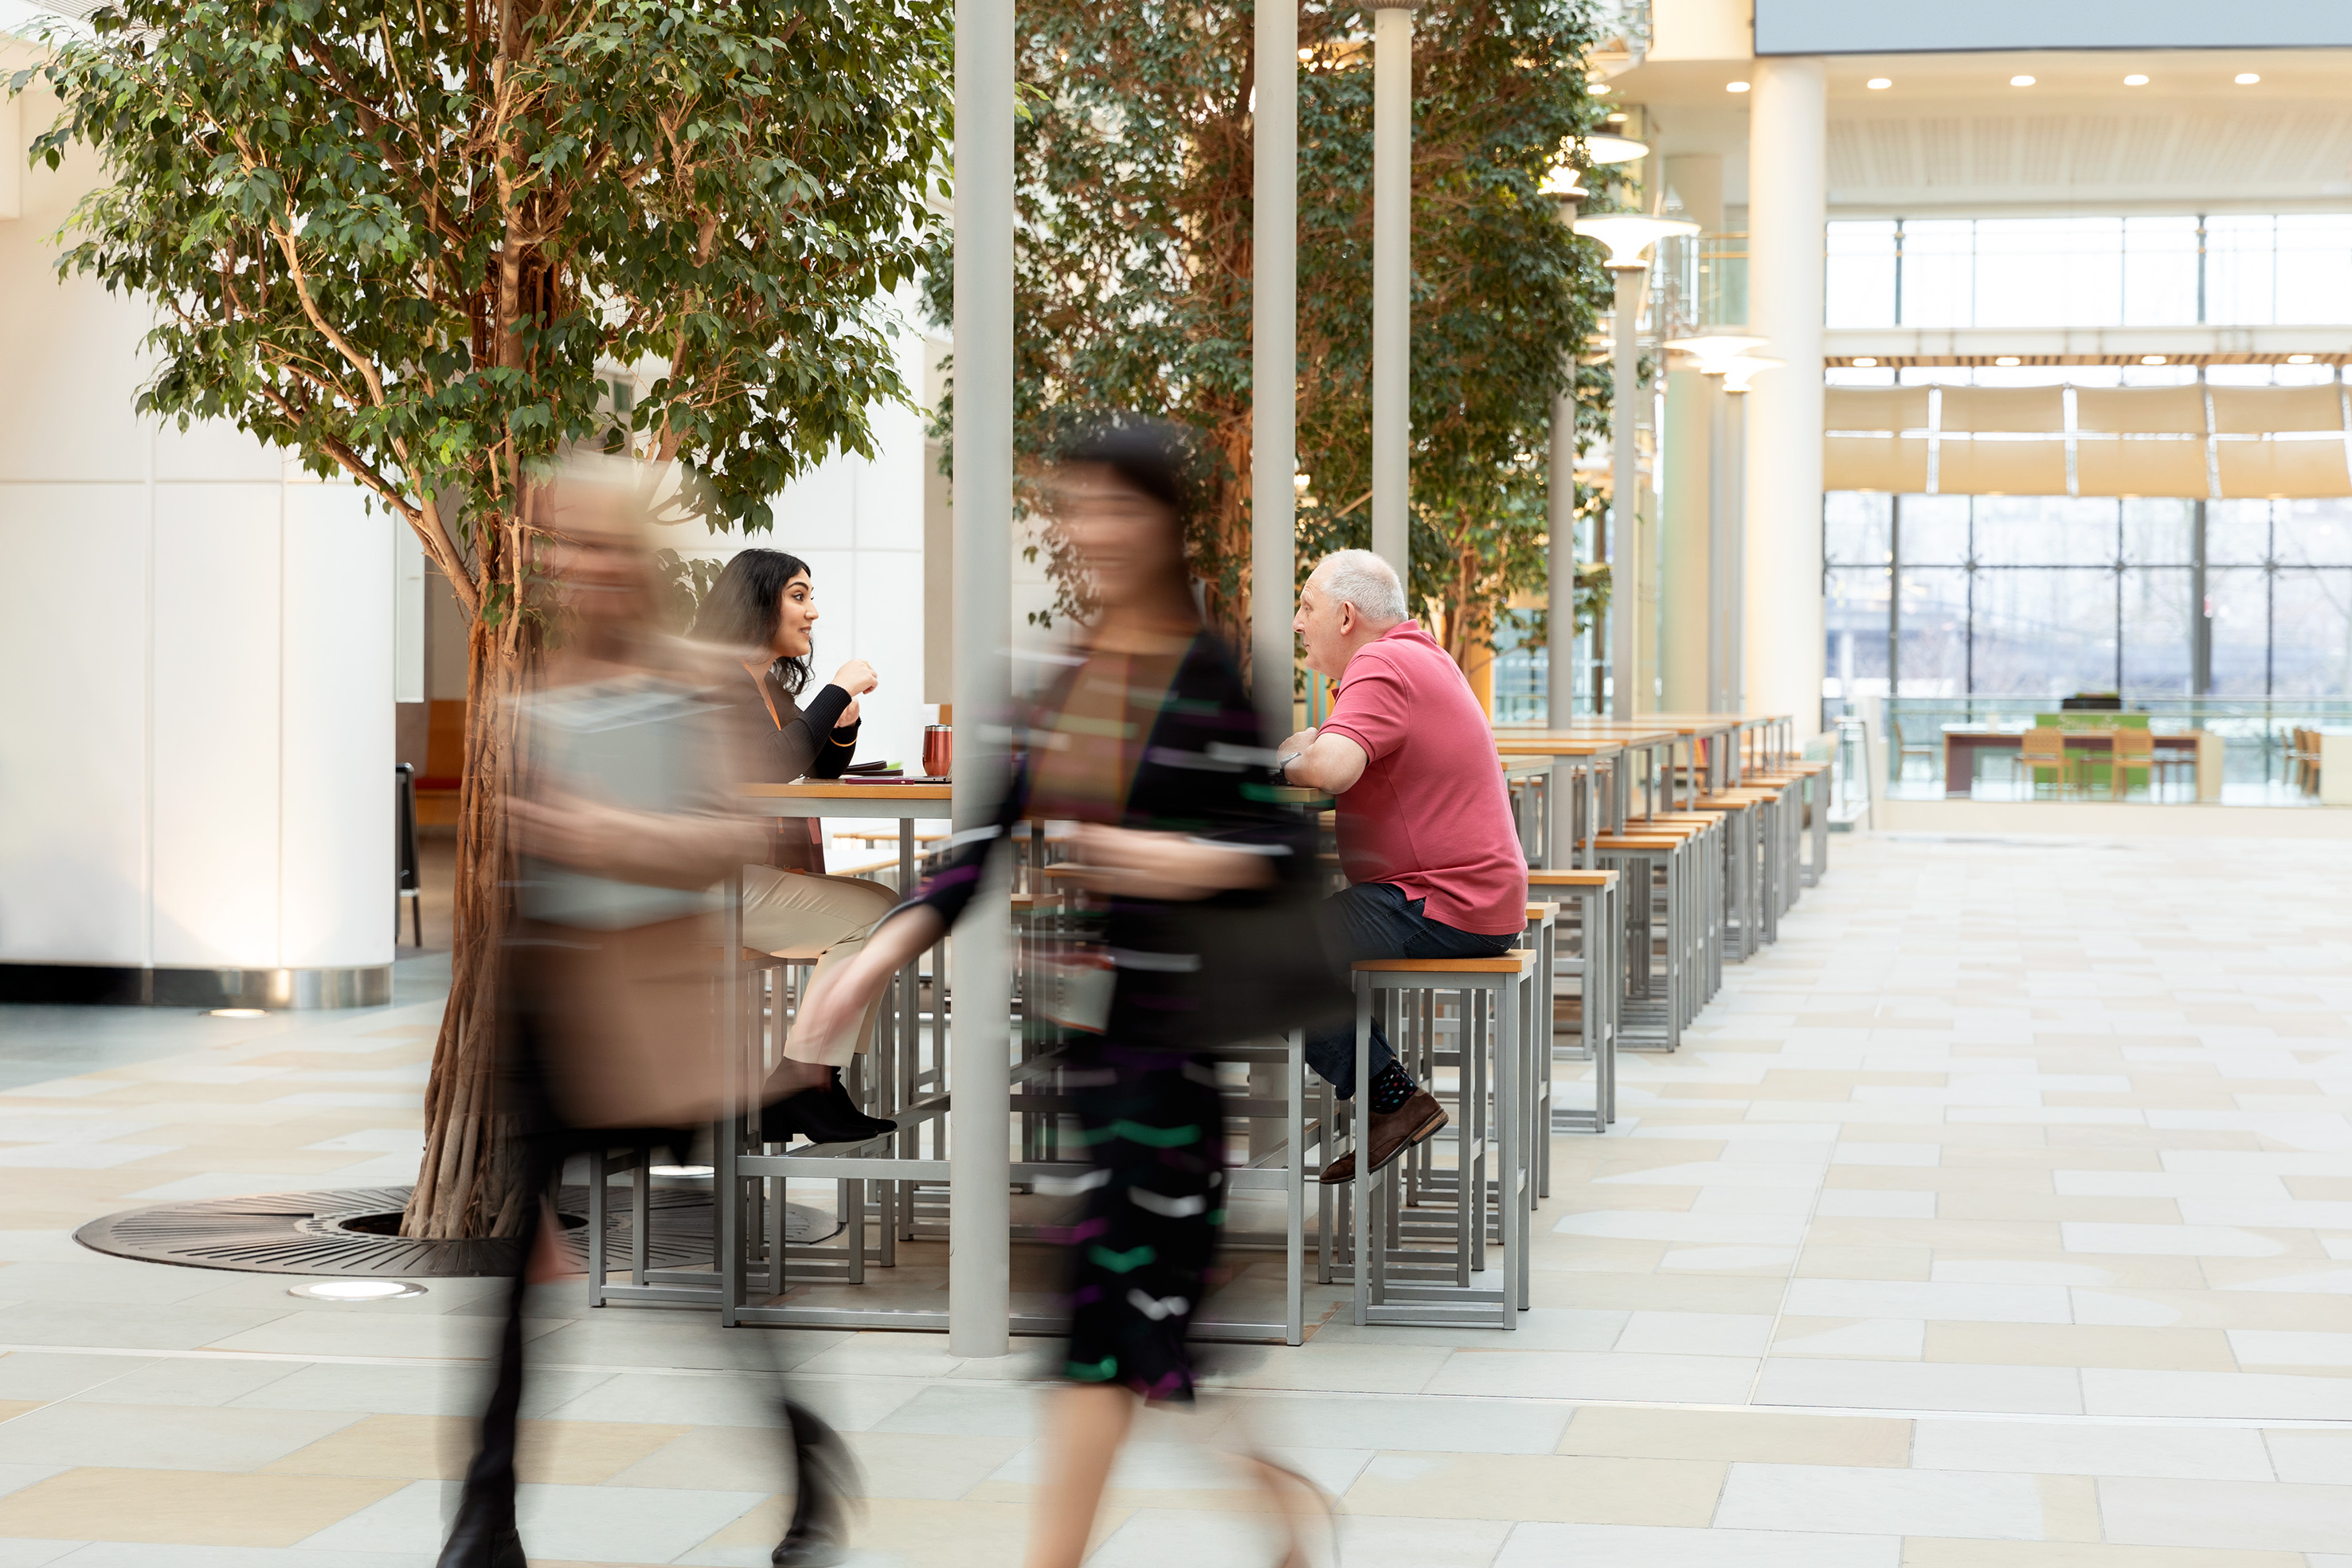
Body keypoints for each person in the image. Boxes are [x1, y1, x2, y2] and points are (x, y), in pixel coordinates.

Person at [783, 420, 1330, 1568]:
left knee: (1103, 1322)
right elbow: (974, 851)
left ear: (1166, 523)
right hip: (1086, 1052)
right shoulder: (1062, 680)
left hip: (1171, 1062)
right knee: (1142, 1326)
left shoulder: (1208, 673)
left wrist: (1180, 860)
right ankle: (1278, 1505)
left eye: (1119, 507)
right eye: (1079, 508)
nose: (1096, 529)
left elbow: (1281, 852)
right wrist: (873, 959)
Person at [438, 465, 855, 1568]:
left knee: (708, 1280)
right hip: (554, 1016)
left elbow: (720, 840)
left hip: (662, 1027)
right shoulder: (538, 684)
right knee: (511, 1301)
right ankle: (484, 1525)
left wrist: (594, 830)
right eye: (553, 549)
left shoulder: (693, 683)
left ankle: (808, 1461)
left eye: (588, 547)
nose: (572, 567)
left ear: (629, 557)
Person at [1277, 549, 1530, 1183]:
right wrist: (1307, 746)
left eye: (1305, 607)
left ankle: (1394, 1100)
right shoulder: (1417, 656)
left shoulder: (1381, 661)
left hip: (1442, 899)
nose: (1296, 622)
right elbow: (1326, 746)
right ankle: (1390, 1097)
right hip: (1460, 894)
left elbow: (1329, 766)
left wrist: (1286, 760)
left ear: (1344, 616)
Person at [690, 549, 896, 1148]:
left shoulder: (763, 684)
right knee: (880, 914)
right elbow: (775, 766)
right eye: (798, 596)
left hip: (729, 876)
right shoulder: (715, 680)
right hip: (693, 884)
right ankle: (804, 1080)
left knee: (885, 906)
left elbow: (817, 766)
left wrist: (843, 722)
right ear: (758, 603)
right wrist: (833, 689)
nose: (812, 612)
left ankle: (812, 1079)